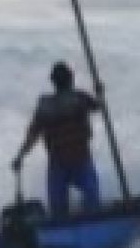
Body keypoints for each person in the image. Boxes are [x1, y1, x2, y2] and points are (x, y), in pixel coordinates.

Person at [12, 61, 104, 217]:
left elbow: (97, 106)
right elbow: (33, 134)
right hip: (59, 164)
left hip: (80, 160)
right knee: (60, 207)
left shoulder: (79, 98)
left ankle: (91, 219)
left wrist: (99, 93)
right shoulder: (48, 106)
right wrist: (21, 156)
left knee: (90, 195)